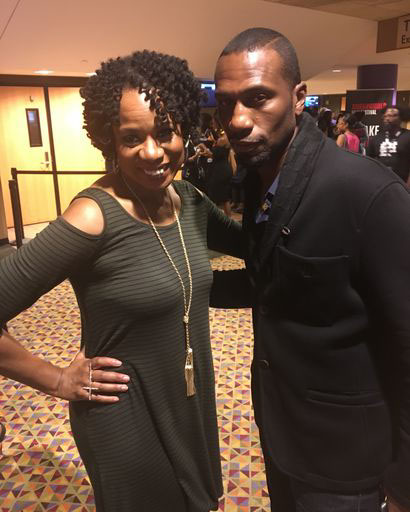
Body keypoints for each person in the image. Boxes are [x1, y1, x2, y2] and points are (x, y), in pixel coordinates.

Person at [0, 49, 243, 511]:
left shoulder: (187, 200)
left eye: (165, 132)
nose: (152, 152)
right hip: (124, 415)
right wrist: (55, 379)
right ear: (109, 140)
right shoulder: (93, 215)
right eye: (132, 138)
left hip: (187, 400)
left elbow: (260, 248)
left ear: (184, 130)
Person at [212, 27, 410, 512]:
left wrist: (406, 484)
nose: (238, 120)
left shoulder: (367, 194)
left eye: (258, 98)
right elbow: (275, 284)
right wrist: (177, 283)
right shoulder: (262, 177)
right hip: (284, 435)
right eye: (227, 103)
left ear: (298, 97)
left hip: (349, 461)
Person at [367, 106, 410, 184]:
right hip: (380, 183)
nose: (387, 118)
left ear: (400, 118)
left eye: (392, 116)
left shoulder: (407, 137)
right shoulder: (376, 138)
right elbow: (369, 160)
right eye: (386, 116)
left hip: (402, 184)